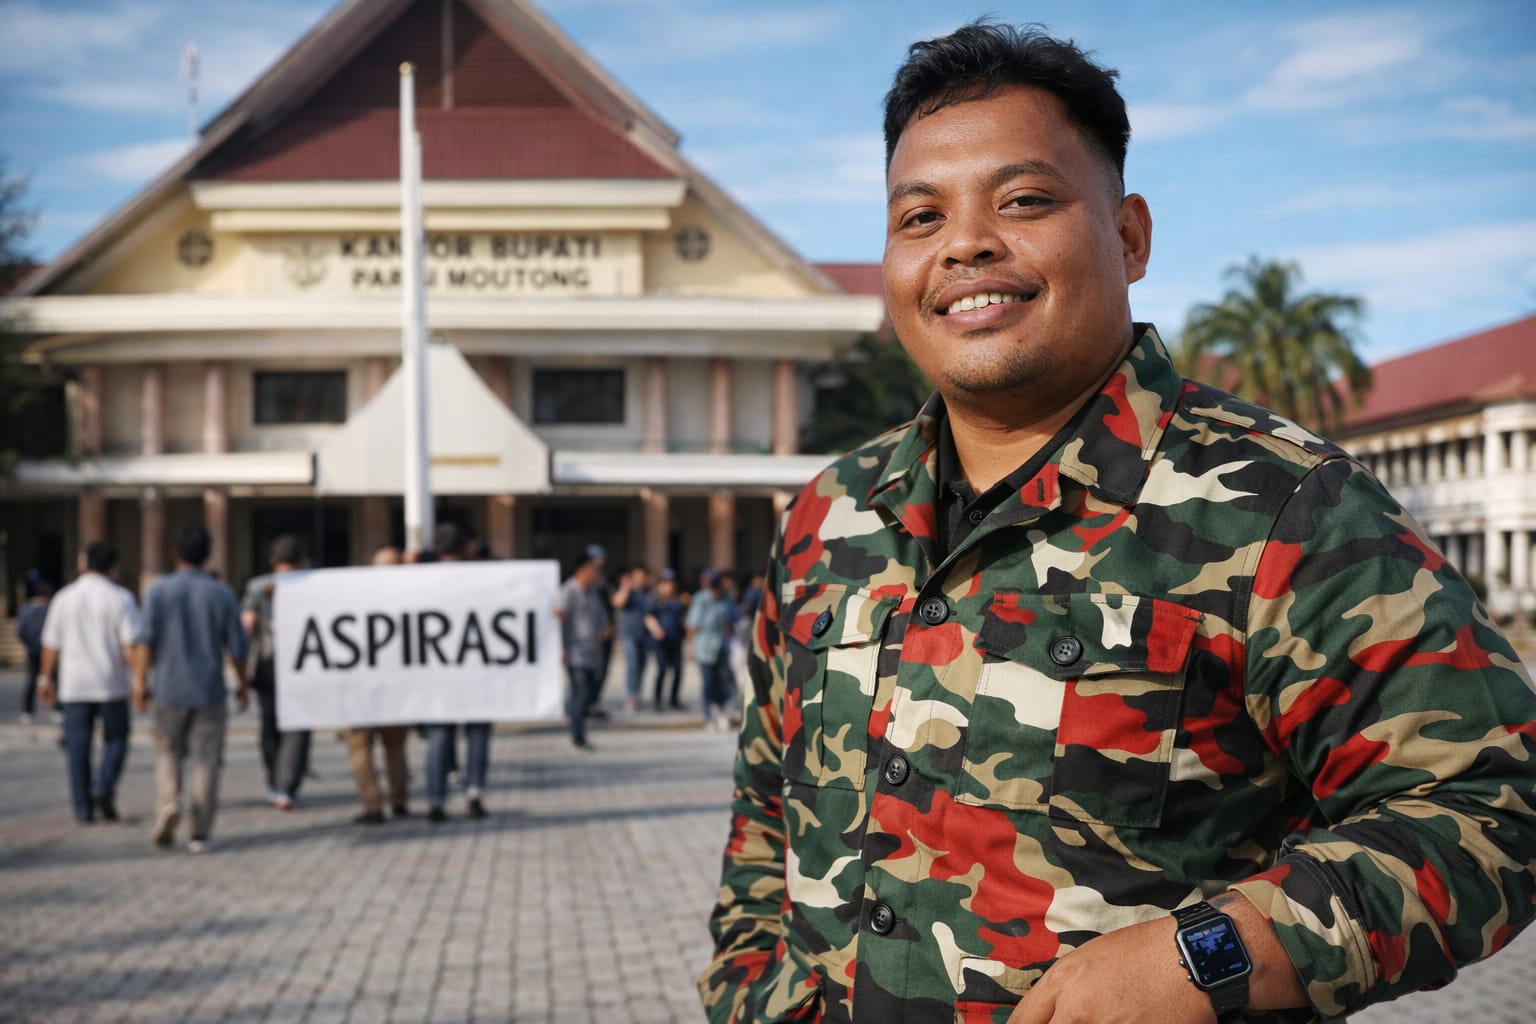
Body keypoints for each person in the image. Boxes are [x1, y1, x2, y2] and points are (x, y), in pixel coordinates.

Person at [699, 22, 1536, 1024]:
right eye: (920, 216)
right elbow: (765, 813)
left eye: (1022, 201)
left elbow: (1491, 804)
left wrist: (1212, 954)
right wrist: (749, 993)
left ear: (1130, 236)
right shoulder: (828, 515)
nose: (964, 244)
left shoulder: (1281, 509)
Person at [134, 523, 250, 854]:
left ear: (174, 553)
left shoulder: (158, 591)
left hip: (169, 688)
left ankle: (169, 803)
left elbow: (145, 641)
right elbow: (237, 648)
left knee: (168, 753)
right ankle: (200, 831)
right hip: (209, 689)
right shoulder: (222, 594)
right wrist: (243, 684)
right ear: (208, 554)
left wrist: (140, 681)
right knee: (206, 760)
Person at [36, 542, 138, 823]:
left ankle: (83, 808)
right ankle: (103, 786)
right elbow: (130, 644)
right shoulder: (120, 597)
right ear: (113, 567)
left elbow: (51, 643)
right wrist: (139, 678)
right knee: (117, 739)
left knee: (77, 747)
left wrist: (45, 677)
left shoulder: (64, 597)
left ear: (84, 564)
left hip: (74, 684)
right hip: (111, 682)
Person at [422, 521, 493, 823]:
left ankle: (436, 800)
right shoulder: (481, 578)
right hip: (476, 671)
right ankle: (474, 793)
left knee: (439, 737)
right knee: (477, 733)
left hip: (437, 675)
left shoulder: (420, 580)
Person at [241, 534, 310, 811]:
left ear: (273, 561)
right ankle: (288, 785)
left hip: (267, 661)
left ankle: (273, 780)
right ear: (302, 561)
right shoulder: (312, 584)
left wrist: (242, 662)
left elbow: (247, 625)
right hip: (304, 662)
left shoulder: (258, 586)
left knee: (269, 723)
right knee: (299, 725)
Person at [346, 544, 412, 825]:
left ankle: (372, 805)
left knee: (361, 748)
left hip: (359, 686)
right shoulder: (411, 599)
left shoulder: (353, 597)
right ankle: (399, 800)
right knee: (395, 748)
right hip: (395, 686)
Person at [556, 551, 609, 750]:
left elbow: (602, 616)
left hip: (592, 652)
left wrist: (606, 629)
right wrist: (561, 647)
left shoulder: (593, 592)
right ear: (581, 571)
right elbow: (559, 615)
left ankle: (579, 730)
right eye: (591, 570)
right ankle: (577, 735)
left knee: (588, 693)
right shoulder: (568, 590)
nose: (594, 575)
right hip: (575, 651)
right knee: (580, 692)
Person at [685, 567, 738, 732]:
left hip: (721, 644)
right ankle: (707, 715)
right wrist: (689, 647)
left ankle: (721, 711)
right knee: (708, 682)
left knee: (722, 680)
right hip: (704, 645)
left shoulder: (726, 598)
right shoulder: (701, 599)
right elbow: (692, 624)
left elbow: (732, 620)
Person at [612, 563, 654, 712]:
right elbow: (617, 602)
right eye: (637, 577)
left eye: (642, 577)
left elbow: (649, 613)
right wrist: (625, 587)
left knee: (642, 665)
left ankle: (637, 693)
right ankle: (631, 695)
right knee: (633, 665)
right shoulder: (628, 591)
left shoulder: (648, 592)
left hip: (644, 634)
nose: (640, 580)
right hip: (629, 633)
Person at [645, 569, 687, 711]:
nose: (668, 586)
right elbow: (648, 617)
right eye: (666, 583)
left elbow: (682, 618)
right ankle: (657, 700)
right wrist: (656, 629)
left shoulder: (678, 599)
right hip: (661, 641)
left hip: (676, 640)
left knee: (678, 670)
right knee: (662, 669)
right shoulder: (654, 599)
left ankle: (674, 699)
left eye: (671, 583)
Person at [15, 571, 53, 724]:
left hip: (32, 649)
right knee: (53, 678)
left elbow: (20, 631)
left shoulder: (25, 609)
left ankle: (27, 711)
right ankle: (58, 709)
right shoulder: (50, 608)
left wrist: (28, 642)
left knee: (31, 679)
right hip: (48, 649)